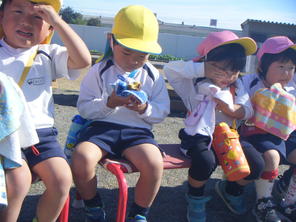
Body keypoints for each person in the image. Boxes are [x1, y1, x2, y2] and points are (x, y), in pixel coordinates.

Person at [71, 5, 170, 222]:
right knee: (81, 157)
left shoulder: (153, 75)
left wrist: (144, 108)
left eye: (142, 55)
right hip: (101, 128)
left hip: (137, 133)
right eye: (126, 51)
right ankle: (93, 205)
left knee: (154, 164)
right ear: (111, 41)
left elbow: (162, 111)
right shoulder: (100, 70)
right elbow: (85, 107)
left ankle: (139, 213)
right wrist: (109, 103)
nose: (133, 60)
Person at [0, 0, 91, 221]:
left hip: (41, 135)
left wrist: (58, 20)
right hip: (6, 135)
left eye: (38, 17)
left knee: (61, 180)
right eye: (18, 11)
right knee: (18, 181)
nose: (25, 21)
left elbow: (83, 60)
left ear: (50, 29)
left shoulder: (48, 53)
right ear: (1, 16)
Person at [164, 30, 264, 222]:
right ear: (205, 62)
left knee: (257, 164)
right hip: (198, 137)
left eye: (234, 70)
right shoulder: (192, 84)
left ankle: (231, 190)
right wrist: (202, 70)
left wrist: (232, 109)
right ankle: (195, 197)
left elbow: (248, 110)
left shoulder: (238, 85)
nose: (228, 75)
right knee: (205, 160)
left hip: (230, 136)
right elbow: (170, 69)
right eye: (220, 68)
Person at [240, 36, 296, 222]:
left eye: (290, 68)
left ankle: (289, 201)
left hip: (286, 133)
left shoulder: (292, 89)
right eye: (280, 67)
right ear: (263, 65)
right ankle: (263, 203)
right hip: (258, 133)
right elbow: (242, 112)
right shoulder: (249, 83)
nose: (286, 73)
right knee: (272, 156)